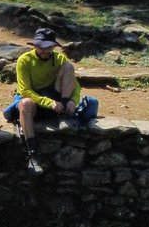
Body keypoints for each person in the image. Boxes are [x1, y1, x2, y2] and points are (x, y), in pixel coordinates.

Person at [12, 27, 93, 174]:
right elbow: (24, 90)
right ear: (34, 45)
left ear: (54, 46)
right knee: (25, 104)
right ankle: (33, 154)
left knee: (68, 67)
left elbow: (75, 84)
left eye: (48, 47)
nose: (44, 51)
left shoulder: (60, 59)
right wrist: (49, 103)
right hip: (36, 101)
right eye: (40, 47)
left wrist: (72, 101)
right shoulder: (24, 60)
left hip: (56, 99)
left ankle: (65, 113)